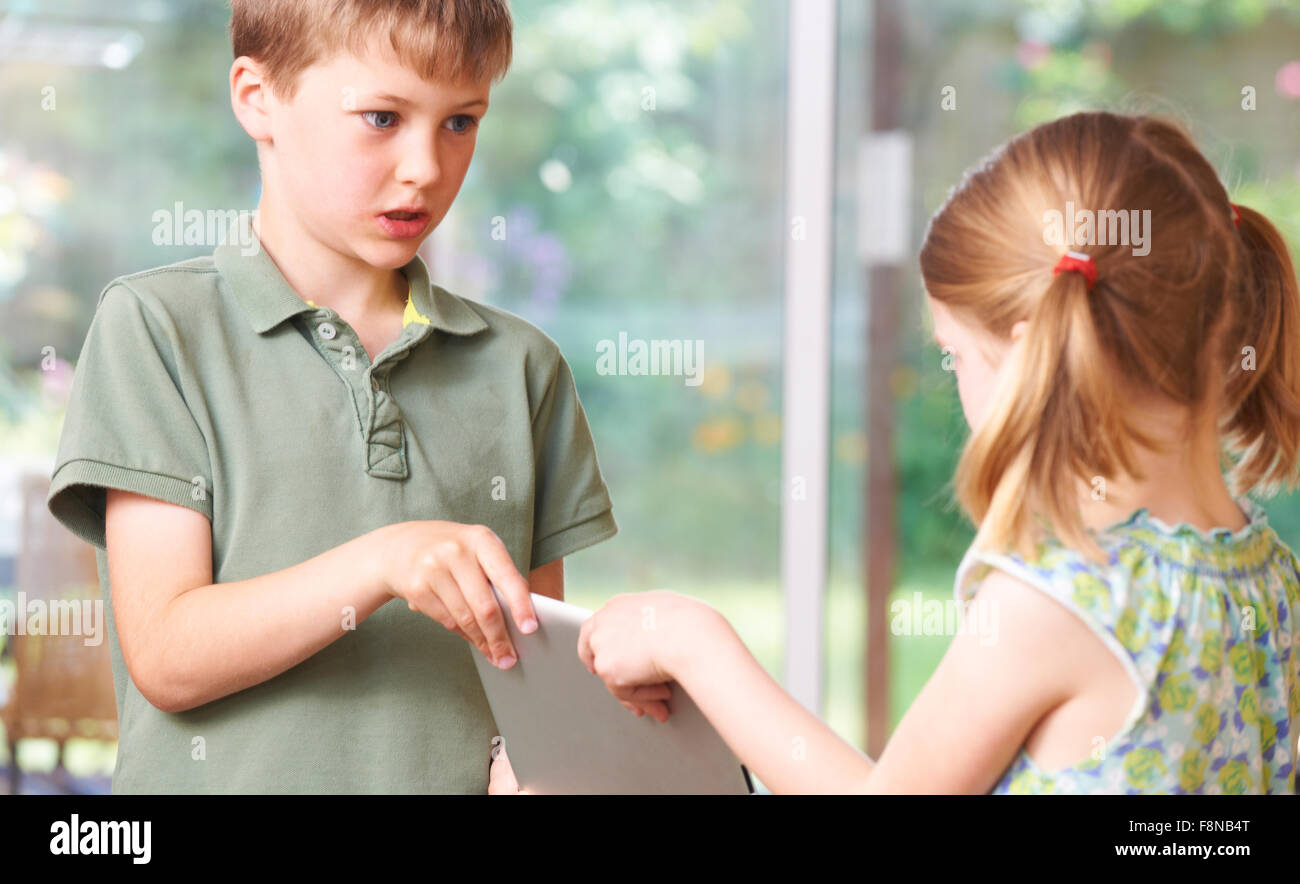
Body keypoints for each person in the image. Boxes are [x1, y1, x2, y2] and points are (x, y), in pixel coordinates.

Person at [496, 110, 1300, 793]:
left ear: (1030, 352)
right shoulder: (1272, 579)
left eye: (954, 355)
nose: (954, 380)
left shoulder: (1056, 604)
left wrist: (697, 646)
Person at [45, 0, 618, 793]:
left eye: (460, 121)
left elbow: (528, 677)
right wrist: (381, 563)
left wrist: (536, 769)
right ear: (258, 95)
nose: (426, 167)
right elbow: (167, 653)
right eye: (382, 118)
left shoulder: (522, 370)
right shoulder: (157, 331)